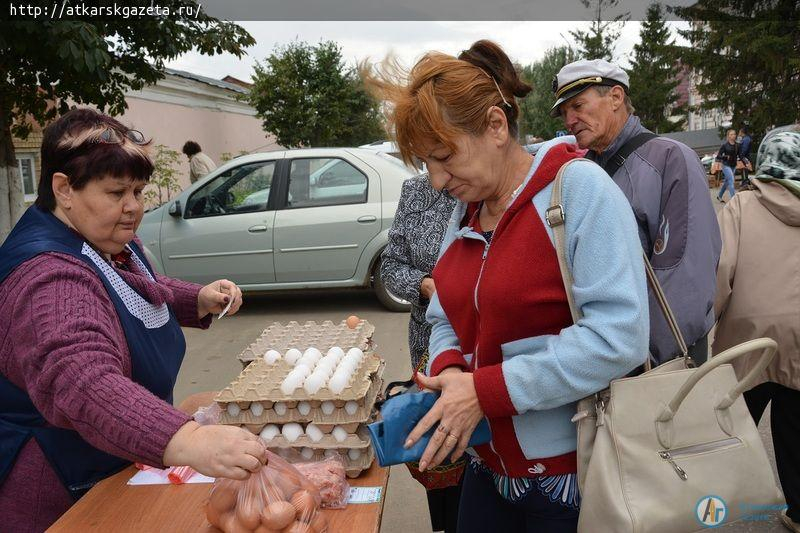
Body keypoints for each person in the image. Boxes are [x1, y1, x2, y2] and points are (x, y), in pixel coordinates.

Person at [365, 40, 649, 533]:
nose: (435, 181)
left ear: (496, 127)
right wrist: (452, 373)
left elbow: (619, 338)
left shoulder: (580, 191)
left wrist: (485, 391)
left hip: (568, 479)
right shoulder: (467, 209)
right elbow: (444, 316)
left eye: (444, 157)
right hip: (487, 468)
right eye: (425, 165)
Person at [0, 109, 267, 531]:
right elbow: (82, 380)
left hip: (114, 457)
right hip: (58, 486)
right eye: (116, 192)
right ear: (64, 188)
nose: (133, 208)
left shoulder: (98, 237)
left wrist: (194, 299)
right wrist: (189, 439)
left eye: (139, 192)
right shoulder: (47, 277)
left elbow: (128, 287)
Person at [551, 58, 721, 365]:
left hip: (659, 359)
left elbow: (684, 278)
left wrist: (641, 359)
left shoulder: (670, 159)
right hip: (608, 354)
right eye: (564, 112)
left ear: (616, 97)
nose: (569, 119)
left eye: (577, 105)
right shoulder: (582, 172)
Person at [713, 131, 800, 533]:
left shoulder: (741, 205)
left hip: (747, 338)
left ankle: (712, 506)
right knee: (794, 432)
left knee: (731, 424)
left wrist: (706, 321)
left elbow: (721, 270)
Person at [380, 177, 460, 532]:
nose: (436, 169)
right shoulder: (416, 191)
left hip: (483, 349)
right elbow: (391, 267)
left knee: (478, 453)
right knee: (437, 445)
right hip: (429, 344)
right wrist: (425, 286)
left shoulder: (491, 188)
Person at [716, 129, 739, 202]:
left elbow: (739, 155)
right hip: (726, 165)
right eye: (731, 134)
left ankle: (719, 196)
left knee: (727, 182)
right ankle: (733, 200)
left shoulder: (737, 145)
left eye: (734, 134)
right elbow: (718, 156)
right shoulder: (724, 145)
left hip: (733, 165)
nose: (733, 136)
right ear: (728, 136)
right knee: (731, 180)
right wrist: (725, 157)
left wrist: (744, 160)